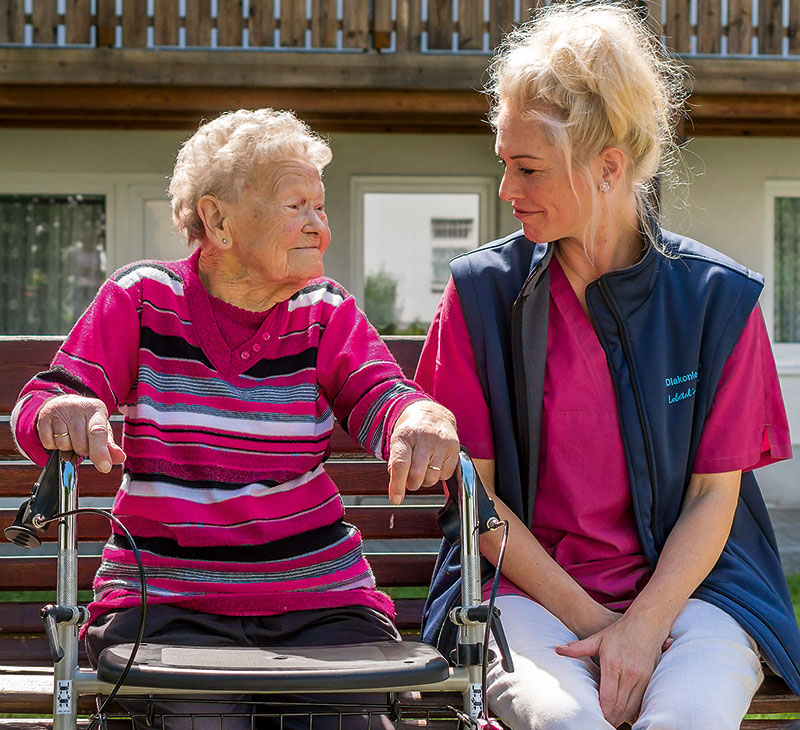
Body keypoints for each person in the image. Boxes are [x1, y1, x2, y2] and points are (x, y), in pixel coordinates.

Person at [416, 5, 800, 730]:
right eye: (504, 162)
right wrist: (601, 627)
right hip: (524, 593)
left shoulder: (719, 299)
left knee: (685, 719)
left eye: (526, 168)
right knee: (567, 722)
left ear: (608, 167)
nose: (507, 189)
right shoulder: (478, 295)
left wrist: (643, 626)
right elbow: (478, 506)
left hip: (698, 595)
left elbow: (714, 499)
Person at [12, 108, 459, 729]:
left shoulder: (325, 314)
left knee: (347, 719)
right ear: (217, 220)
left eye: (321, 207)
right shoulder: (142, 301)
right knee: (204, 719)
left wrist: (420, 417)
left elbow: (382, 394)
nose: (319, 227)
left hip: (317, 596)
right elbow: (48, 397)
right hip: (168, 599)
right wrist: (66, 410)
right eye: (295, 205)